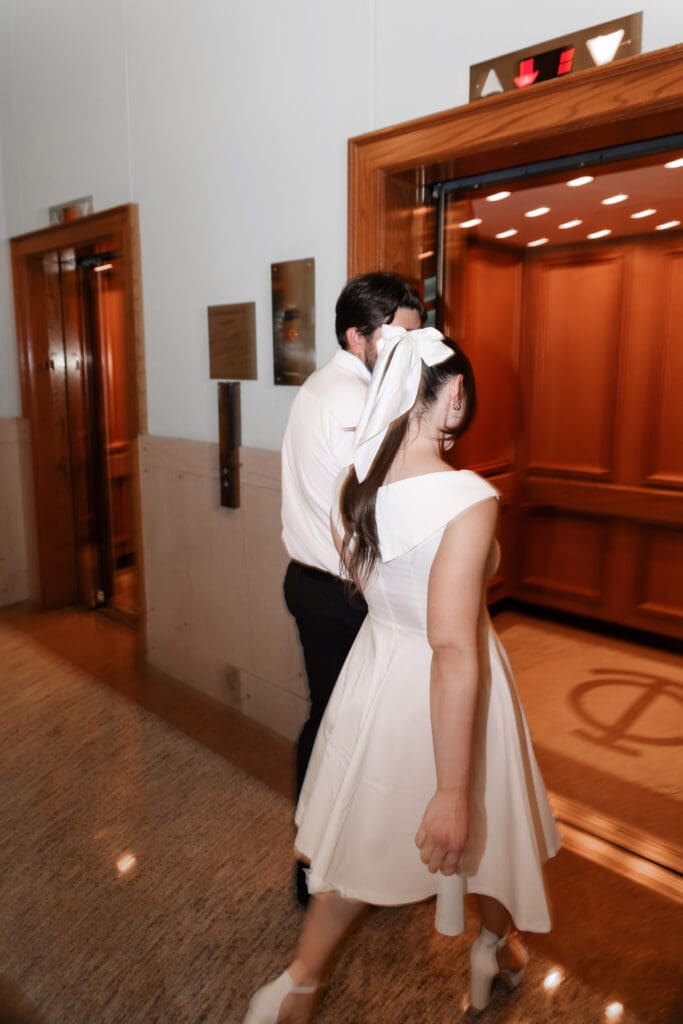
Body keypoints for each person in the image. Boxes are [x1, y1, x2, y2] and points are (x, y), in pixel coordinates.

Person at [246, 325, 561, 1022]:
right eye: (462, 391)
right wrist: (450, 788)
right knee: (489, 821)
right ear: (450, 396)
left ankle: (297, 983)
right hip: (454, 681)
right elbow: (452, 646)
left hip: (378, 669)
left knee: (362, 829)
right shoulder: (465, 498)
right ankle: (493, 945)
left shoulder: (357, 486)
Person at [281, 272, 424, 905]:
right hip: (336, 591)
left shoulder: (341, 386)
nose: (411, 355)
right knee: (336, 727)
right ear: (355, 336)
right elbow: (357, 514)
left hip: (325, 584)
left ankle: (332, 853)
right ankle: (313, 860)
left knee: (341, 722)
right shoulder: (346, 399)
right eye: (399, 341)